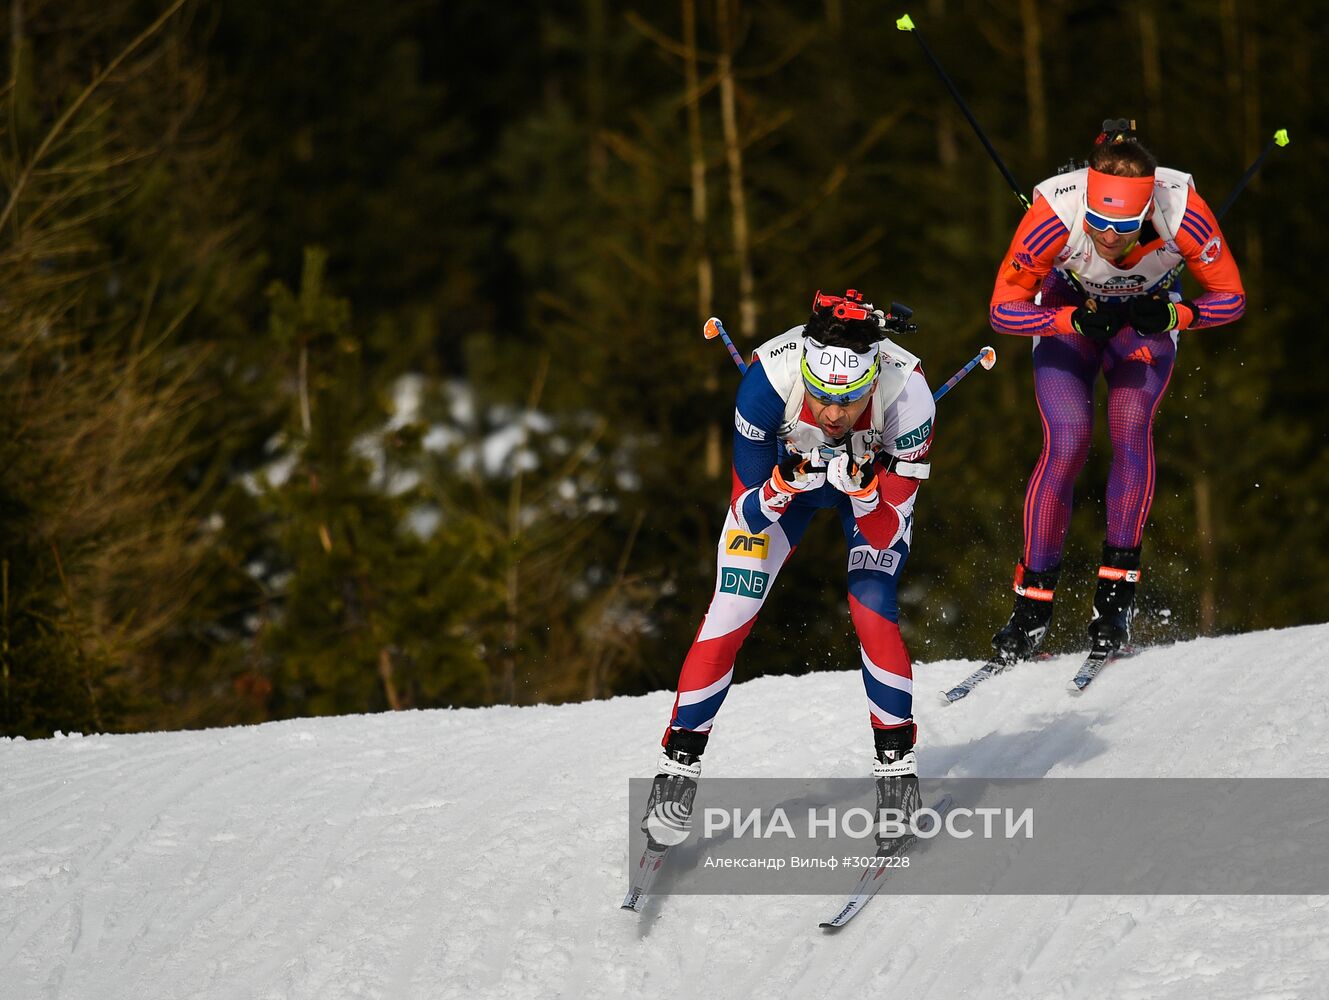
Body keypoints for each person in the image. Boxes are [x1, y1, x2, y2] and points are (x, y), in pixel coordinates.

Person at [640, 289, 935, 850]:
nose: (831, 414)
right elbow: (746, 514)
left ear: (871, 382)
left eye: (847, 401)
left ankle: (897, 777)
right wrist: (781, 486)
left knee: (872, 607)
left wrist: (868, 495)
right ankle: (676, 771)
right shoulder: (766, 380)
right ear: (805, 371)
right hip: (782, 491)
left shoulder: (909, 395)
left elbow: (887, 532)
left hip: (865, 498)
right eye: (822, 396)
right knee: (732, 606)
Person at [987, 119, 1246, 662]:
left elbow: (1231, 298)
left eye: (1124, 226)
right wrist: (1069, 320)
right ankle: (1032, 607)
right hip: (1069, 315)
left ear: (1147, 207)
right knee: (1068, 442)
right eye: (1100, 222)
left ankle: (1115, 600)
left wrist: (1180, 312)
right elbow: (1002, 311)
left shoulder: (1183, 212)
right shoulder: (1053, 214)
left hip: (1144, 323)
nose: (1108, 237)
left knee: (1130, 429)